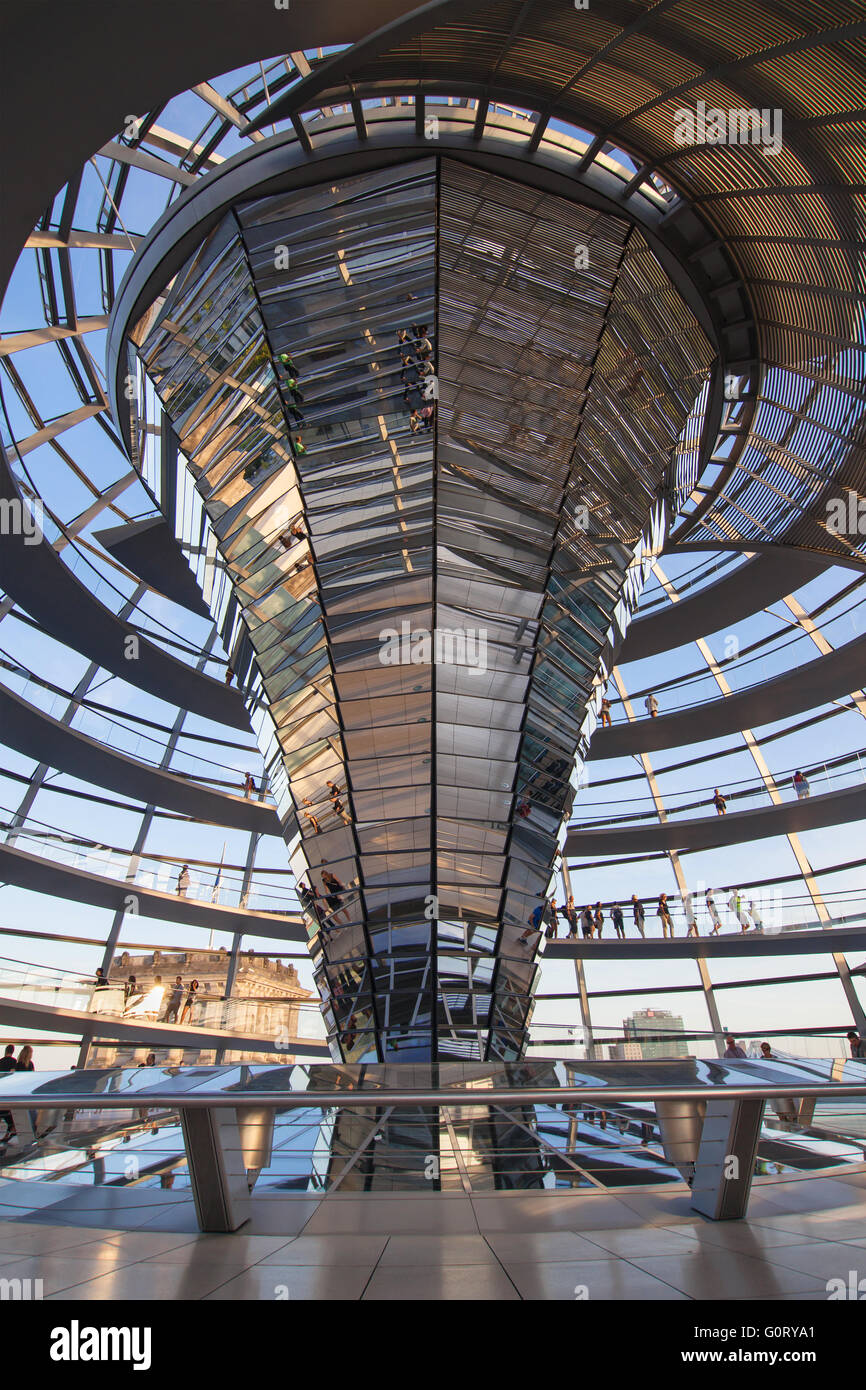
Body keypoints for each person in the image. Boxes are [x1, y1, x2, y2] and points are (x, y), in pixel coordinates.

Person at [0, 1044, 17, 1142]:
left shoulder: (1, 1061)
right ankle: (11, 1129)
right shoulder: (14, 1061)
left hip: (1, 1089)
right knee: (7, 1111)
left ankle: (10, 1130)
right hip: (9, 1090)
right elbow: (13, 1074)